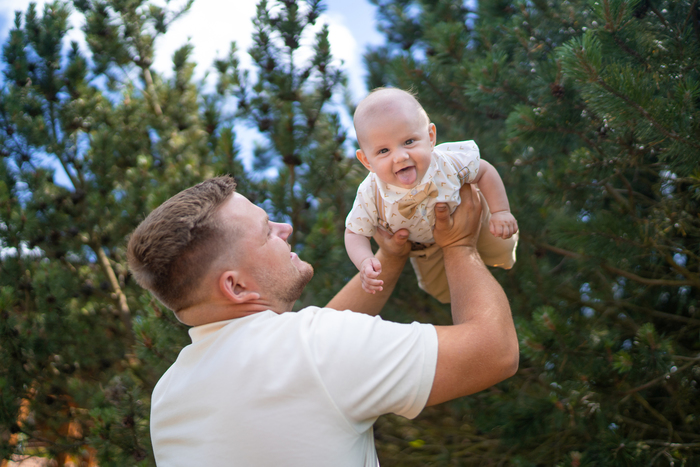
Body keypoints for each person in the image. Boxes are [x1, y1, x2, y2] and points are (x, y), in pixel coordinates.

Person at [127, 175, 518, 467]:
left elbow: (313, 372)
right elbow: (495, 350)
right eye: (267, 232)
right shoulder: (313, 349)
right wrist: (459, 245)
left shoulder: (167, 400)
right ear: (236, 286)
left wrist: (389, 256)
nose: (285, 229)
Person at [345, 87, 519, 303]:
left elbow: (483, 170)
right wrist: (364, 260)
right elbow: (354, 233)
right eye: (383, 151)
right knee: (439, 289)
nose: (400, 156)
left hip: (472, 219)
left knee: (502, 247)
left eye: (409, 141)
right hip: (426, 247)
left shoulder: (447, 162)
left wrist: (500, 211)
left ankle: (506, 263)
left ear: (430, 137)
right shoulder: (370, 193)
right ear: (366, 161)